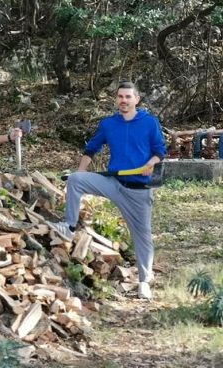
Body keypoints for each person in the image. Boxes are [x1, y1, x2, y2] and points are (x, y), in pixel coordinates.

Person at [48, 81, 166, 299]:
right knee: (75, 179)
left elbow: (160, 150)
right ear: (116, 100)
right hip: (114, 183)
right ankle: (69, 226)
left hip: (138, 190)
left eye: (128, 97)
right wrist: (81, 173)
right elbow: (91, 149)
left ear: (137, 100)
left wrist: (152, 162)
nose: (124, 100)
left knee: (143, 237)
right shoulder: (108, 124)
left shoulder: (149, 122)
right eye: (120, 96)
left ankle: (144, 281)